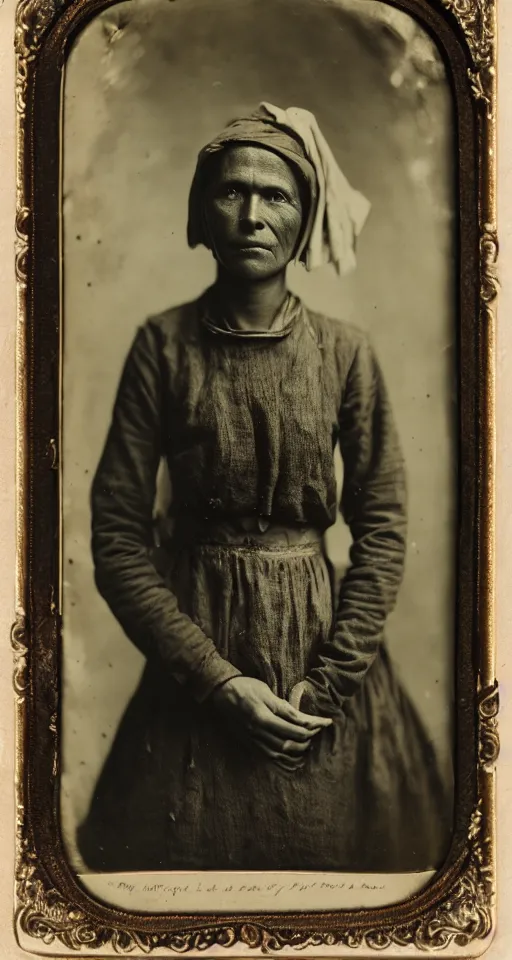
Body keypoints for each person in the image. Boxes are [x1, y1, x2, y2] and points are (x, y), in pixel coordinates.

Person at [77, 103, 451, 873]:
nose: (252, 214)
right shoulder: (161, 346)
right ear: (201, 214)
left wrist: (329, 684)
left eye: (276, 195)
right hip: (196, 655)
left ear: (306, 215)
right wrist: (215, 681)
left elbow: (381, 526)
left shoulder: (347, 354)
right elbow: (117, 538)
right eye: (231, 192)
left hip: (324, 673)